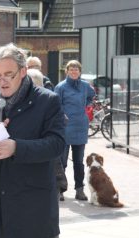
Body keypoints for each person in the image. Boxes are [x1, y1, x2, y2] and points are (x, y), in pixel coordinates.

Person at [0, 43, 66, 238]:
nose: (2, 81)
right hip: (1, 206)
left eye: (8, 74)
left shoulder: (47, 101)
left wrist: (16, 147)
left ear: (23, 72)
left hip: (34, 208)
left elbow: (57, 145)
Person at [54, 60, 95, 201]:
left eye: (76, 69)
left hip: (80, 127)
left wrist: (87, 106)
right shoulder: (61, 87)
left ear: (80, 71)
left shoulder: (85, 86)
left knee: (78, 162)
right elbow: (56, 106)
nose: (74, 71)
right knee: (62, 161)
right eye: (71, 69)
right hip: (65, 127)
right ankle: (59, 190)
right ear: (66, 71)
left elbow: (91, 95)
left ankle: (79, 190)